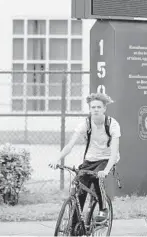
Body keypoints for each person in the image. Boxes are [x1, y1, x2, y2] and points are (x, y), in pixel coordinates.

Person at [50, 92, 121, 224]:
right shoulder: (86, 124)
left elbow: (114, 151)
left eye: (99, 107)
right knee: (79, 189)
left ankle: (103, 208)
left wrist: (106, 171)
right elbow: (70, 145)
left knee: (97, 177)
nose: (95, 110)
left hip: (106, 159)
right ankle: (75, 225)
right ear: (90, 109)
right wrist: (57, 159)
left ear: (104, 108)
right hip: (90, 160)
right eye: (93, 107)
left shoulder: (112, 124)